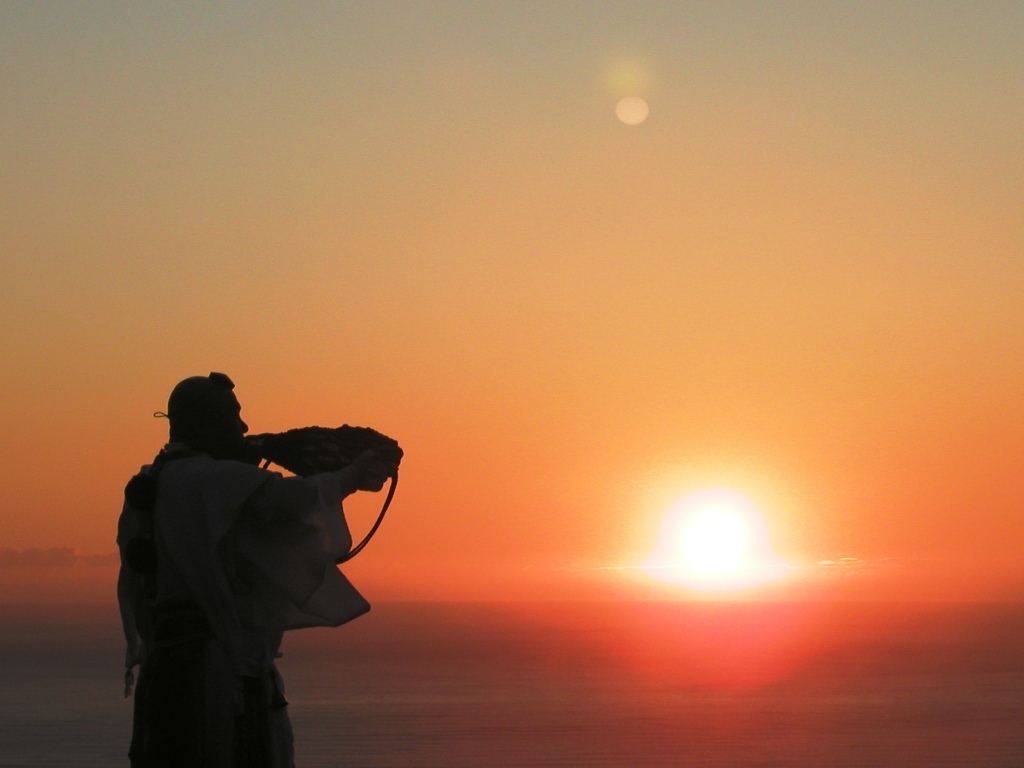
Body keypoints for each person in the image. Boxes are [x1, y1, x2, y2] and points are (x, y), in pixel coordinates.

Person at [117, 372, 393, 768]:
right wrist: (351, 475)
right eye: (233, 416)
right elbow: (291, 502)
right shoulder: (213, 479)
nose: (244, 427)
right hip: (216, 680)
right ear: (200, 425)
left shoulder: (149, 484)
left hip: (166, 675)